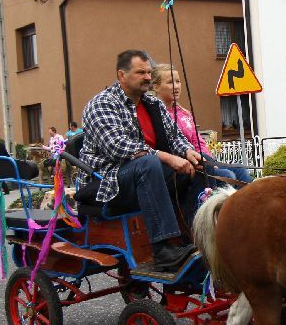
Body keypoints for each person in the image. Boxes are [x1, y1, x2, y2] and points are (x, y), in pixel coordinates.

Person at [79, 50, 203, 271]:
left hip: (142, 173)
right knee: (149, 164)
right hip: (107, 180)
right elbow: (117, 147)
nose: (147, 77)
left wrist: (188, 153)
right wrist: (165, 156)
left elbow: (174, 137)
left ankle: (195, 237)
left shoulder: (152, 104)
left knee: (198, 169)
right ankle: (164, 249)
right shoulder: (101, 104)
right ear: (122, 75)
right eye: (140, 72)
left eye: (148, 72)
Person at [150, 63, 252, 184]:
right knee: (228, 175)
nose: (176, 86)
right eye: (170, 82)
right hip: (183, 165)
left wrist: (211, 162)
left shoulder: (185, 113)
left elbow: (198, 142)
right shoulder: (155, 114)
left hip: (202, 160)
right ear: (156, 87)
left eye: (178, 81)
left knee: (240, 170)